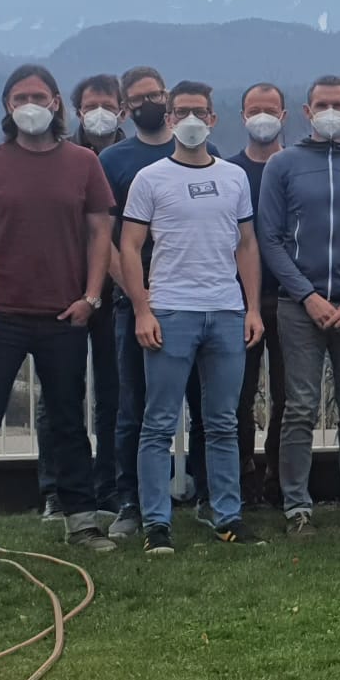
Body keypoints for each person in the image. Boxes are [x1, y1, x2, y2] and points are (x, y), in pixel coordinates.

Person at [0, 64, 115, 553]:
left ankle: (82, 522)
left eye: (39, 96)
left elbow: (100, 233)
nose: (30, 105)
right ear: (7, 106)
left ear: (56, 104)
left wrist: (90, 297)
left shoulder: (83, 163)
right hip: (0, 317)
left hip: (64, 316)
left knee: (69, 422)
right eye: (20, 97)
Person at [118, 81, 264, 554]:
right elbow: (130, 246)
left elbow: (246, 244)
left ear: (214, 118)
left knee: (222, 422)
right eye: (181, 112)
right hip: (171, 311)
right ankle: (156, 523)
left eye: (199, 111)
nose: (191, 120)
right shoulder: (150, 178)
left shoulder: (234, 177)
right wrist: (142, 309)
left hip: (225, 311)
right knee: (158, 422)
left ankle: (227, 515)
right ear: (169, 118)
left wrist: (252, 308)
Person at [260, 76, 340, 533]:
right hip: (300, 307)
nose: (329, 111)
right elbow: (270, 239)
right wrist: (307, 296)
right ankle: (297, 507)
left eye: (338, 104)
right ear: (307, 111)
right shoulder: (282, 165)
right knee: (299, 407)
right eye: (322, 104)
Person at [99, 66, 212, 539]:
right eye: (138, 98)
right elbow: (106, 239)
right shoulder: (113, 161)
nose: (149, 103)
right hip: (137, 304)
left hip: (198, 301)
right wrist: (136, 295)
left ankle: (208, 495)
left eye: (155, 95)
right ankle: (132, 501)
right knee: (136, 407)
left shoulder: (201, 154)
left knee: (204, 405)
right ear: (126, 107)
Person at [25, 72, 123, 521]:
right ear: (76, 109)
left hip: (119, 297)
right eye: (91, 105)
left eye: (108, 105)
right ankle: (55, 490)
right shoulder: (59, 157)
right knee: (59, 397)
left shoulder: (133, 157)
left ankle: (108, 488)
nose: (100, 113)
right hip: (65, 294)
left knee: (114, 396)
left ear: (122, 109)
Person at [230, 82, 288, 513]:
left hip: (291, 299)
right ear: (242, 116)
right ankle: (242, 479)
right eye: (255, 110)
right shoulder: (228, 172)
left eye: (270, 109)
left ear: (285, 115)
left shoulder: (297, 168)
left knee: (290, 397)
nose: (262, 117)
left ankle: (280, 479)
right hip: (236, 301)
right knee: (238, 397)